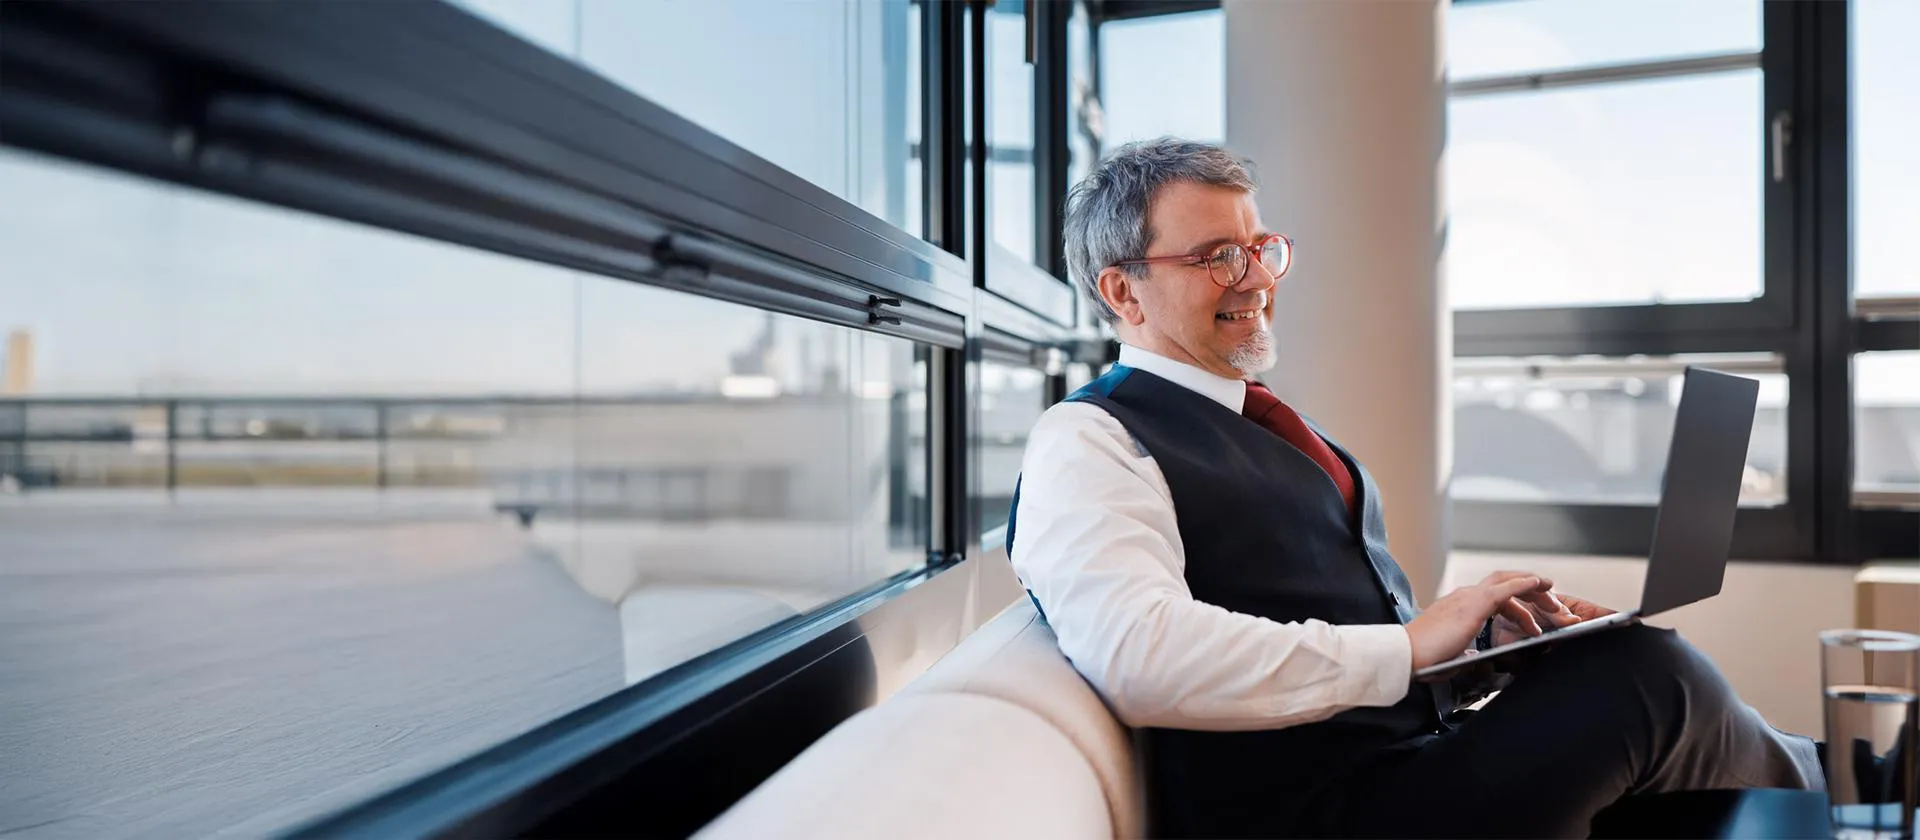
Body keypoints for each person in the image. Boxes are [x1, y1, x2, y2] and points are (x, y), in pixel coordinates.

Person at [1008, 137, 1823, 838]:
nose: (1256, 277)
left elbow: (1331, 627)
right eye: (1219, 256)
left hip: (1399, 765)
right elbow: (1139, 656)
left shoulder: (1257, 419)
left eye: (1261, 247)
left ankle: (1840, 784)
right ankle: (1854, 790)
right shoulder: (1087, 441)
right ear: (1122, 291)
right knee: (1648, 679)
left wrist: (1482, 651)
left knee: (1618, 657)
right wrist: (1409, 646)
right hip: (1323, 814)